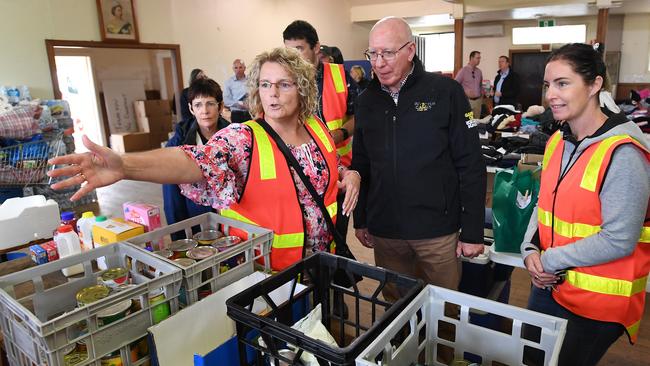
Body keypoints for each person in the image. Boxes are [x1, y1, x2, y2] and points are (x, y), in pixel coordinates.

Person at [47, 47, 361, 272]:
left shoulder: (317, 127)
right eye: (265, 84)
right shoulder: (243, 138)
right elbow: (194, 161)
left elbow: (324, 168)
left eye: (284, 84)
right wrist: (126, 165)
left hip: (325, 259)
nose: (273, 94)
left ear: (303, 89)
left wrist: (348, 174)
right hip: (272, 272)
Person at [520, 43, 650, 365]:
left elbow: (619, 238)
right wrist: (530, 249)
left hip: (597, 304)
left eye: (563, 83)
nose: (551, 94)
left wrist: (551, 260)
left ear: (594, 85)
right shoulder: (557, 141)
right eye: (548, 85)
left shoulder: (623, 154)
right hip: (550, 285)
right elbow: (544, 204)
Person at [352, 17, 486, 299]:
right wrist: (361, 218)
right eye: (372, 54)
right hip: (386, 231)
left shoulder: (446, 93)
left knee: (444, 311)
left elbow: (471, 162)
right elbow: (362, 164)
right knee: (396, 310)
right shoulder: (366, 101)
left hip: (436, 231)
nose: (378, 63)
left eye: (388, 53)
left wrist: (472, 230)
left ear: (410, 50)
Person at [283, 20, 358, 245]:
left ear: (316, 48)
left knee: (337, 235)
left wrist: (342, 133)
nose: (292, 58)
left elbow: (359, 115)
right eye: (288, 51)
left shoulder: (340, 75)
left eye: (298, 49)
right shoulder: (284, 79)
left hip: (338, 170)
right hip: (297, 173)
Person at [163, 78, 230, 239]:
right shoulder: (179, 142)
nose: (204, 111)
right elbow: (172, 200)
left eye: (210, 103)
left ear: (220, 106)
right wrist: (179, 240)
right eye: (198, 105)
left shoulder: (234, 136)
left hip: (230, 218)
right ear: (191, 109)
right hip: (195, 216)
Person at [455, 51, 484, 119]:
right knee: (470, 123)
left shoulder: (479, 71)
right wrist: (464, 92)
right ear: (471, 58)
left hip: (478, 102)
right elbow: (455, 85)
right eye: (477, 58)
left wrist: (481, 96)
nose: (479, 60)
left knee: (477, 123)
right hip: (468, 102)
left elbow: (480, 85)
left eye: (480, 58)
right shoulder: (463, 71)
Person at [223, 59, 251, 123]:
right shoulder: (229, 82)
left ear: (244, 68)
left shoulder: (251, 80)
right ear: (233, 69)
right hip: (236, 114)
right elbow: (226, 100)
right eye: (236, 68)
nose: (238, 70)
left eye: (240, 67)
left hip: (250, 113)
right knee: (238, 132)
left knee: (251, 131)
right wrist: (238, 104)